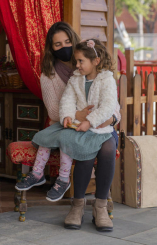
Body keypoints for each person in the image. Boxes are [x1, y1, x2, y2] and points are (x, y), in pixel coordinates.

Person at [15, 22, 119, 232]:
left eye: (67, 42)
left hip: (102, 126)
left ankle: (100, 207)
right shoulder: (61, 75)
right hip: (74, 126)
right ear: (51, 48)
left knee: (107, 149)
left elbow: (112, 107)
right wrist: (75, 116)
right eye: (57, 44)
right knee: (84, 151)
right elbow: (59, 109)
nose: (64, 47)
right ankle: (77, 206)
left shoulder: (100, 74)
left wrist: (102, 119)